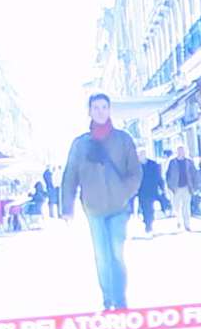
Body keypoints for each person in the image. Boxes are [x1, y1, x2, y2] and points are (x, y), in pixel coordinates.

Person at [58, 93, 143, 310]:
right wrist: (67, 207)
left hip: (119, 207)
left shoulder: (123, 139)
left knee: (116, 253)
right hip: (93, 207)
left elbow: (135, 172)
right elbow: (70, 176)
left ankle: (120, 300)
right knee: (102, 257)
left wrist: (125, 193)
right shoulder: (80, 144)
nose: (100, 111)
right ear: (89, 111)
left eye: (104, 107)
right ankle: (108, 299)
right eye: (96, 107)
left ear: (109, 110)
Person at [165, 149, 199, 231]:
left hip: (187, 187)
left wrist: (195, 185)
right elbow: (167, 174)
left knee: (186, 207)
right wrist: (170, 185)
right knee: (176, 206)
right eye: (179, 151)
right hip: (176, 187)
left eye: (182, 151)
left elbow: (194, 173)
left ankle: (187, 224)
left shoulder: (189, 162)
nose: (181, 152)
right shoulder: (172, 162)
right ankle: (178, 221)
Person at [135, 153, 167, 235]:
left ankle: (149, 223)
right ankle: (147, 223)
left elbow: (158, 176)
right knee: (145, 208)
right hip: (142, 191)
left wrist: (162, 187)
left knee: (150, 208)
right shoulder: (136, 166)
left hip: (152, 189)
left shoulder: (153, 164)